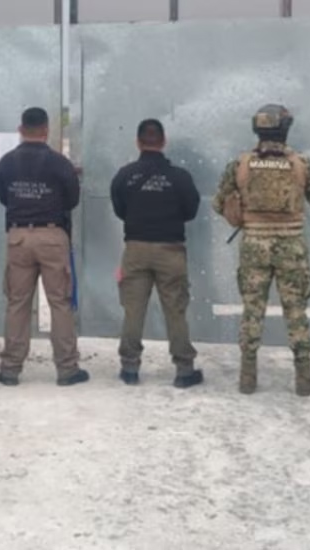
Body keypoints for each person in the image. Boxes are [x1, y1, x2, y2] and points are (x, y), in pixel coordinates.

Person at [212, 104, 310, 397]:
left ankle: (247, 378)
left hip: (254, 244)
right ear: (286, 129)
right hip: (292, 246)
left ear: (257, 129)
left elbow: (218, 204)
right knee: (296, 311)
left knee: (252, 311)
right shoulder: (302, 163)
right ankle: (304, 378)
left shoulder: (240, 164)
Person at [0, 107, 86, 386]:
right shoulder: (60, 163)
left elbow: (3, 195)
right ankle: (67, 369)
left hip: (18, 237)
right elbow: (72, 200)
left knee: (17, 302)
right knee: (59, 302)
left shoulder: (6, 162)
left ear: (21, 129)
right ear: (46, 130)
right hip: (52, 236)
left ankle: (10, 369)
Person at [109, 119, 201, 387]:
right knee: (175, 310)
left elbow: (119, 209)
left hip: (135, 249)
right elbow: (191, 211)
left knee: (133, 310)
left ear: (138, 142)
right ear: (164, 141)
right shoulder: (180, 177)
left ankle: (129, 368)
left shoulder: (125, 175)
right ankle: (184, 370)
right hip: (171, 251)